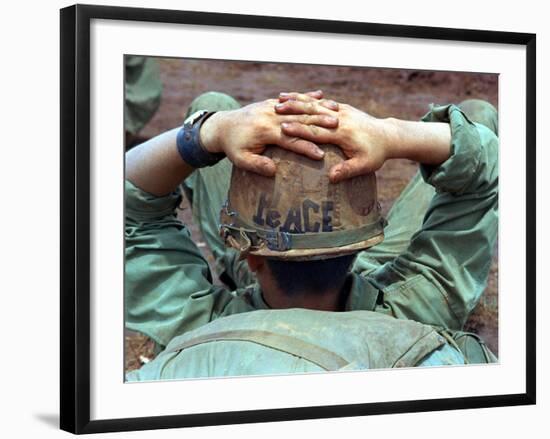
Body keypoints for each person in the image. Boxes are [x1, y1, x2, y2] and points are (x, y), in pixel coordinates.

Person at [124, 90, 498, 381]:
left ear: (249, 257)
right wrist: (390, 133)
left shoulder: (201, 326)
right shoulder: (418, 305)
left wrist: (211, 132)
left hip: (260, 283)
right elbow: (487, 163)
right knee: (475, 117)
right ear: (365, 243)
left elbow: (124, 197)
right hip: (367, 290)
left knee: (211, 106)